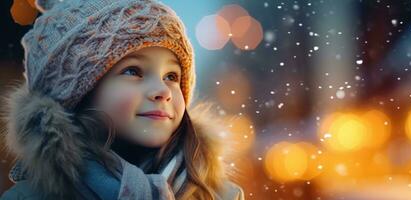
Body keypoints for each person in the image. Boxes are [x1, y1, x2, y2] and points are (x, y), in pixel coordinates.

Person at [0, 0, 245, 199]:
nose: (164, 90)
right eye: (133, 71)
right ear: (75, 94)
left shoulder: (219, 195)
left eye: (172, 75)